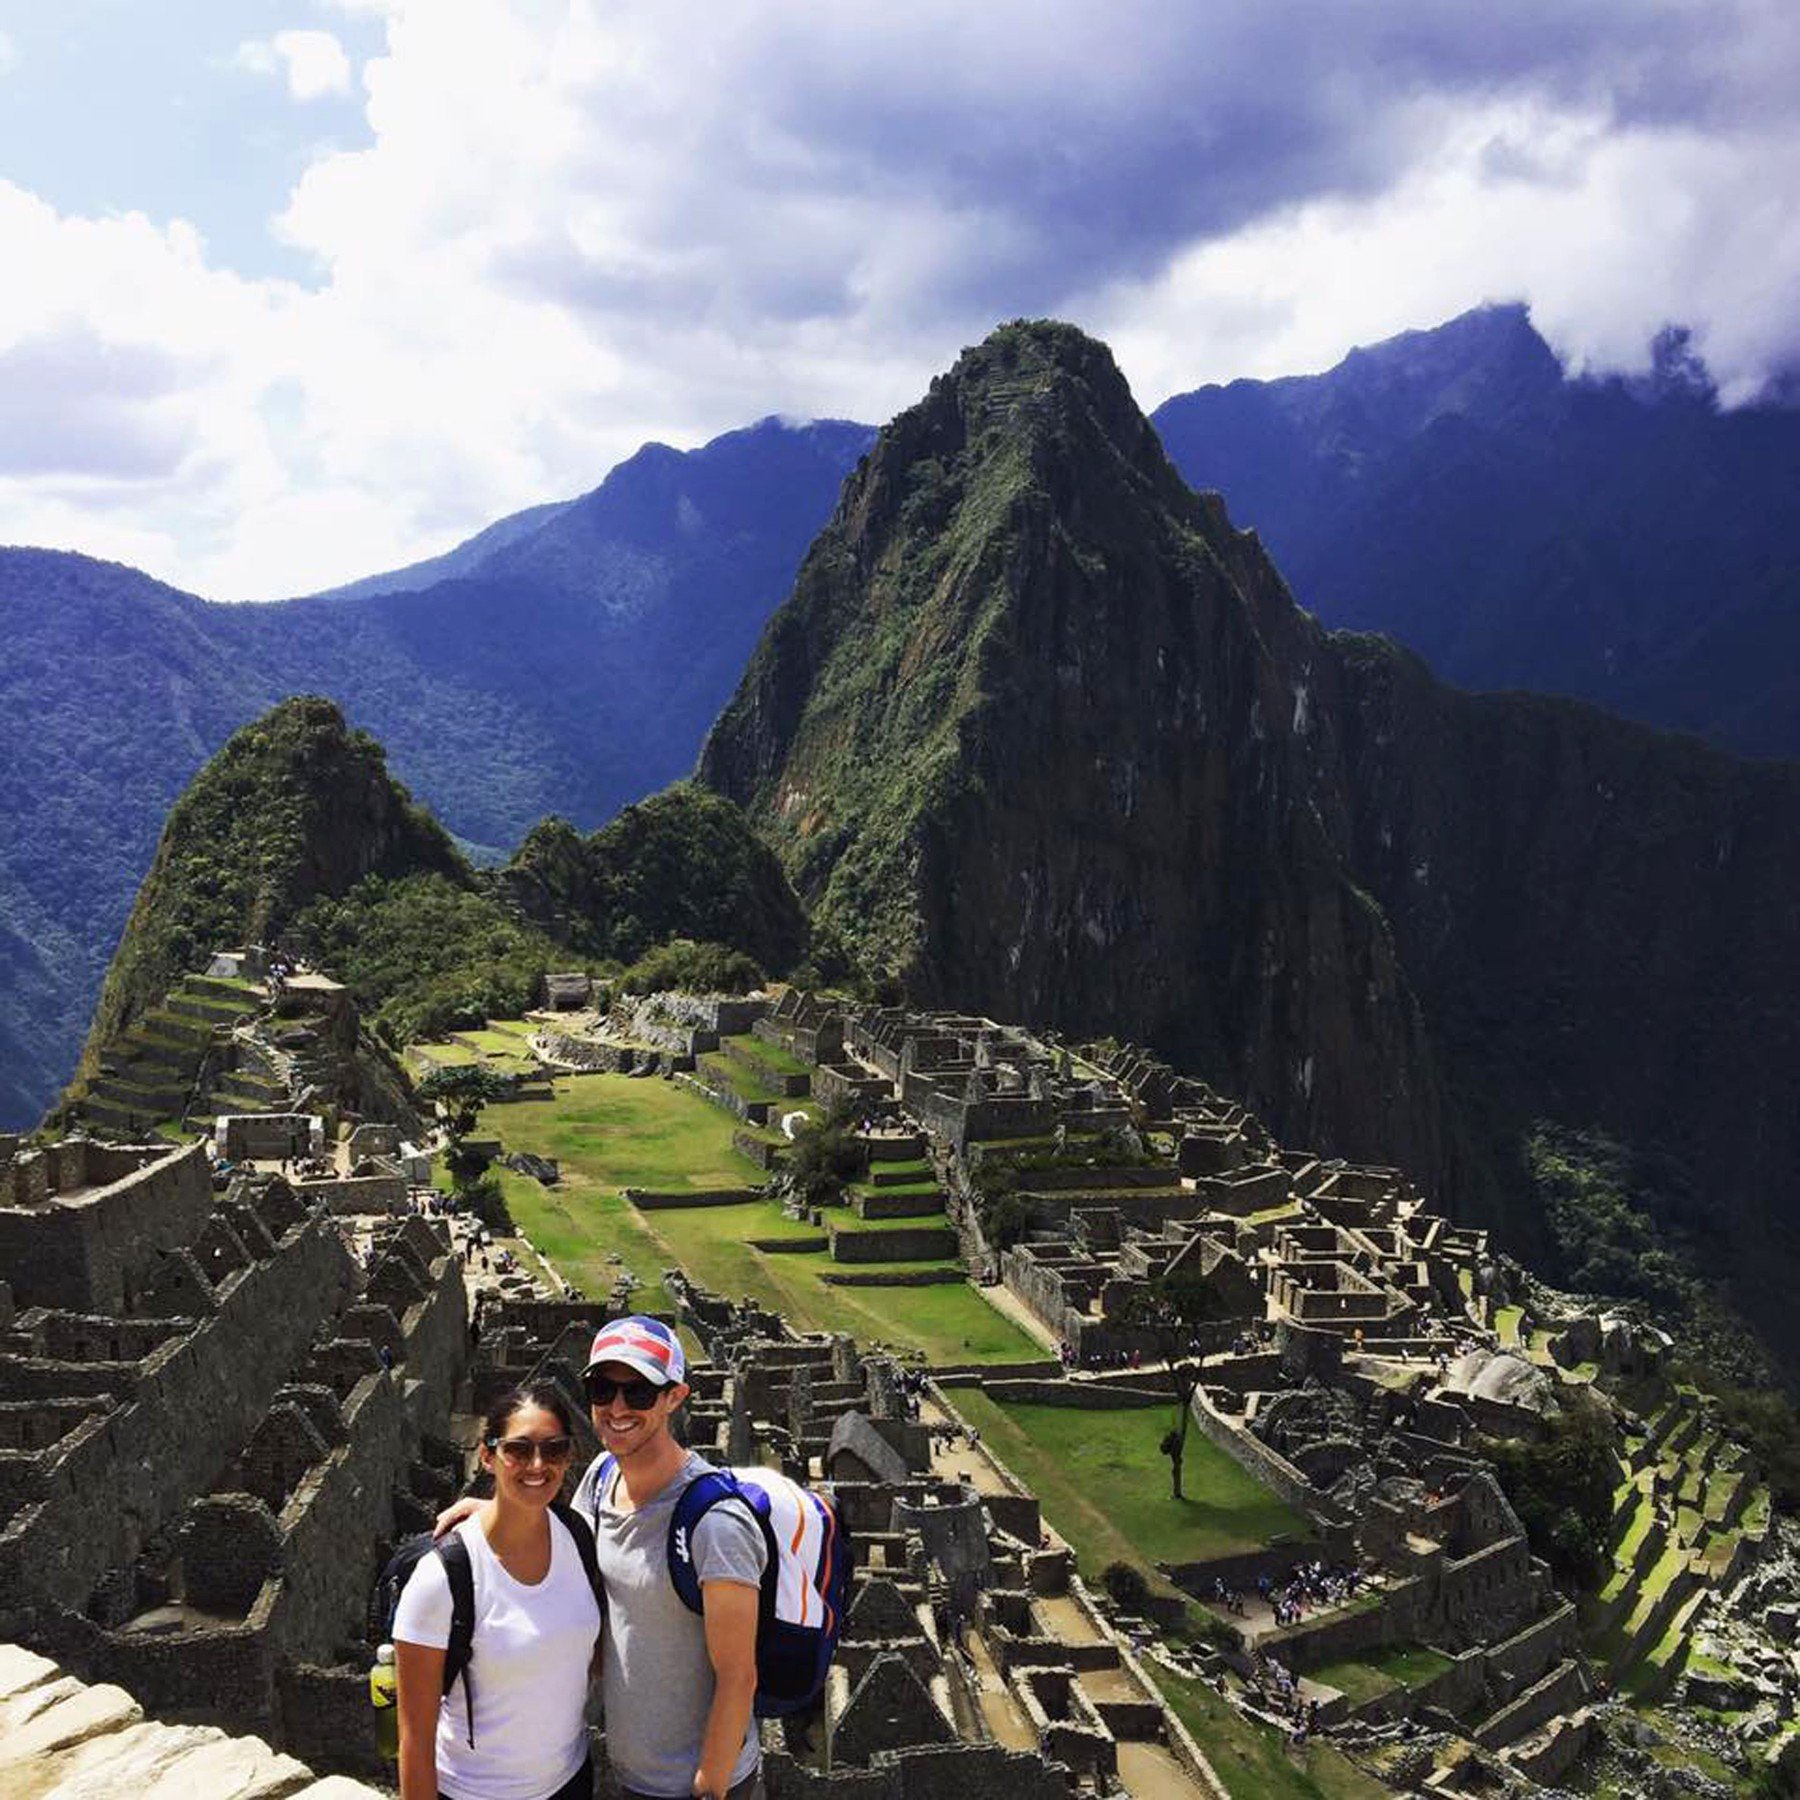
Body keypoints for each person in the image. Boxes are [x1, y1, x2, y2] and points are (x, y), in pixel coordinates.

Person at [437, 1317, 767, 1800]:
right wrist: (497, 1509)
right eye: (602, 1388)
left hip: (697, 1783)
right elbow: (563, 1545)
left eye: (639, 1393)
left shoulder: (716, 1524)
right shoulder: (601, 1476)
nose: (616, 1408)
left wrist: (709, 1787)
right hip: (627, 1774)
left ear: (674, 1396)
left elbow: (740, 1675)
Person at [395, 1381, 601, 1800]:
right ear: (488, 1456)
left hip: (571, 1781)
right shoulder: (443, 1579)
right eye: (519, 1450)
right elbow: (414, 1740)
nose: (538, 1464)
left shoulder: (578, 1536)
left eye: (554, 1449)